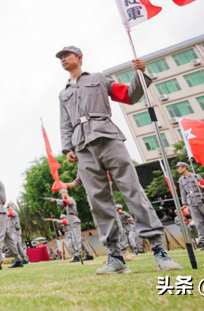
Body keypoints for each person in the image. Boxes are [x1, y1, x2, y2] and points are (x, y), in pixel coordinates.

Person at [56, 46, 182, 274]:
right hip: (82, 146)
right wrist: (67, 149)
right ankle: (115, 257)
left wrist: (140, 75)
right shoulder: (63, 93)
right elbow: (64, 123)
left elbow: (128, 95)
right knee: (98, 201)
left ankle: (159, 251)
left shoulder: (98, 78)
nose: (63, 59)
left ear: (79, 58)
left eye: (67, 55)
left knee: (132, 191)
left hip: (108, 138)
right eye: (61, 57)